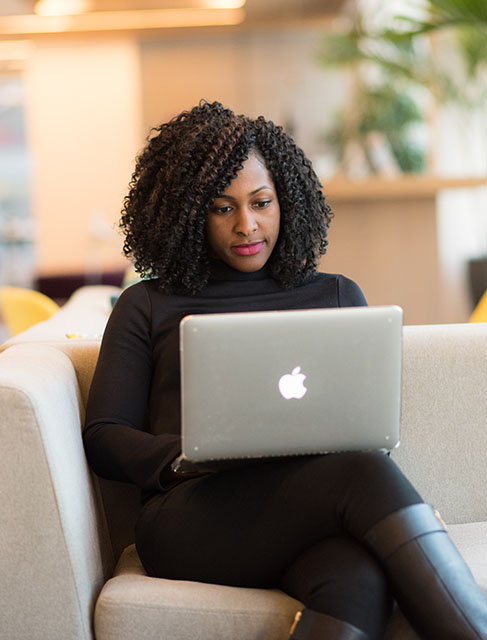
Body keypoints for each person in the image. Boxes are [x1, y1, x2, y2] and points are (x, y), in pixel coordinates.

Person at [83, 100, 487, 640]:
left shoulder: (338, 295)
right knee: (362, 472)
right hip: (192, 517)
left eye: (261, 202)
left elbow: (366, 423)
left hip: (311, 508)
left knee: (358, 576)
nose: (245, 225)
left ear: (286, 202)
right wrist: (190, 456)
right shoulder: (148, 304)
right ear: (186, 214)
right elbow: (104, 436)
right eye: (221, 208)